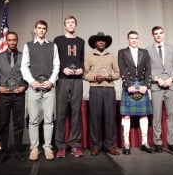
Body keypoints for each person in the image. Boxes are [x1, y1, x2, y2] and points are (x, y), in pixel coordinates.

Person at [21, 20, 60, 161]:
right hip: (34, 87)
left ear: (46, 30)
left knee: (49, 119)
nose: (41, 30)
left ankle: (48, 147)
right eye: (39, 28)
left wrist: (51, 81)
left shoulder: (52, 46)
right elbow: (24, 66)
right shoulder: (28, 46)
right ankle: (34, 148)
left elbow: (57, 65)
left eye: (44, 28)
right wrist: (32, 82)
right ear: (35, 29)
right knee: (33, 120)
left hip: (49, 87)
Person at [83, 32, 120, 156]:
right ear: (95, 43)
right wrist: (94, 77)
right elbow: (84, 74)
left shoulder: (112, 56)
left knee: (110, 118)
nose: (101, 42)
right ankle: (96, 145)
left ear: (106, 43)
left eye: (103, 41)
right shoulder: (89, 56)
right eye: (99, 40)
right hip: (95, 89)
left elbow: (118, 73)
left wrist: (111, 76)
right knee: (95, 118)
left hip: (109, 89)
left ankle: (110, 145)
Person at [0, 31, 28, 163]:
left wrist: (24, 86)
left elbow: (27, 75)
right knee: (4, 124)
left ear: (17, 41)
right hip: (4, 95)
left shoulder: (24, 57)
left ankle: (18, 151)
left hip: (19, 95)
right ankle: (3, 151)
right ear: (6, 41)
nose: (12, 42)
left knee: (19, 124)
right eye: (9, 40)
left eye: (14, 40)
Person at [118, 30, 153, 155]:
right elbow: (122, 69)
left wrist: (146, 86)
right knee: (126, 115)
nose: (134, 40)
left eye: (136, 38)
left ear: (138, 39)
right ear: (127, 39)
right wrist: (128, 86)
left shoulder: (145, 52)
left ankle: (145, 143)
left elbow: (149, 69)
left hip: (142, 84)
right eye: (131, 38)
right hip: (129, 85)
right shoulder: (122, 52)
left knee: (144, 115)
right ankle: (126, 143)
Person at [54, 15, 85, 158]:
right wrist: (62, 69)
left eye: (73, 22)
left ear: (76, 25)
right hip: (63, 79)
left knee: (76, 112)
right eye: (68, 23)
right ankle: (60, 146)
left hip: (77, 80)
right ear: (64, 25)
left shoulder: (81, 41)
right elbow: (54, 60)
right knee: (60, 113)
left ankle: (75, 145)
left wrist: (81, 69)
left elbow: (82, 60)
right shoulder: (58, 40)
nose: (70, 25)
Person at [146, 26, 173, 153]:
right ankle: (157, 142)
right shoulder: (148, 50)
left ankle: (171, 142)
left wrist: (171, 79)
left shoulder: (172, 47)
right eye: (156, 34)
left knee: (171, 115)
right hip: (156, 85)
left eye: (160, 33)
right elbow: (147, 69)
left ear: (164, 34)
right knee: (157, 115)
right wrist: (157, 79)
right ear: (152, 35)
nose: (158, 35)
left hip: (170, 85)